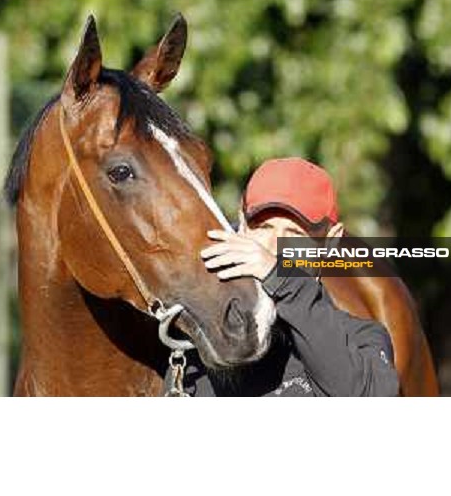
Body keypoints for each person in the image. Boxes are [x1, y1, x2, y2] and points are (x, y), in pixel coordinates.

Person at [166, 157, 399, 397]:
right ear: (242, 226)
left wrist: (281, 277)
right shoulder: (195, 338)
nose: (273, 248)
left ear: (330, 240)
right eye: (263, 228)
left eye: (295, 233)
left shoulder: (362, 338)